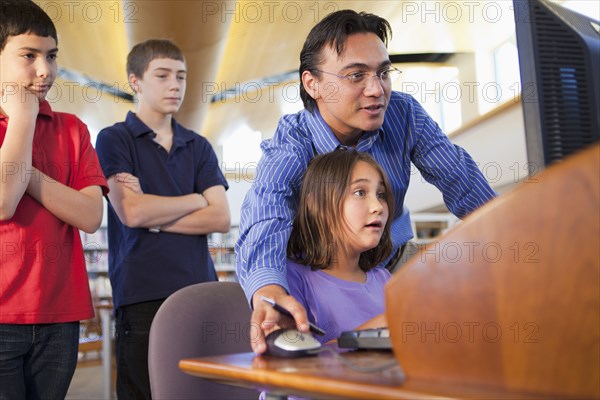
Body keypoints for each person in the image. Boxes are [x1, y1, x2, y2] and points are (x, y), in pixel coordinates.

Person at [235, 9, 497, 354]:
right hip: (316, 277)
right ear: (312, 84)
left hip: (389, 262)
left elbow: (461, 180)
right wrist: (270, 289)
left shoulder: (404, 113)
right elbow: (267, 211)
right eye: (356, 76)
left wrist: (516, 233)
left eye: (384, 73)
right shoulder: (292, 141)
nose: (377, 90)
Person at [95, 39, 230, 399]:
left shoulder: (198, 145)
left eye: (181, 76)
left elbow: (219, 217)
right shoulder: (114, 139)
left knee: (201, 391)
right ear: (135, 81)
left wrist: (154, 216)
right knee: (145, 392)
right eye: (163, 75)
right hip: (142, 295)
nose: (175, 85)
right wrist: (195, 198)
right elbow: (132, 211)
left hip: (200, 291)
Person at [0, 1, 108, 398]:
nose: (44, 70)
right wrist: (24, 117)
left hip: (60, 316)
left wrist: (23, 171)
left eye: (51, 56)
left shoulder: (73, 129)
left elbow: (90, 214)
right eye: (28, 55)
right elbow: (3, 201)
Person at [287, 150, 394, 344]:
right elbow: (296, 359)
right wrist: (375, 331)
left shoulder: (384, 279)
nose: (377, 206)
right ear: (316, 205)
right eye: (360, 192)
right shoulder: (292, 278)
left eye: (381, 194)